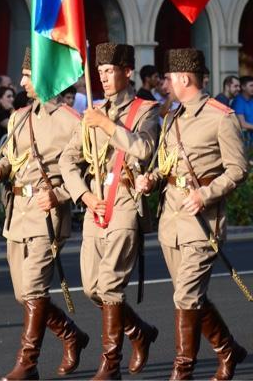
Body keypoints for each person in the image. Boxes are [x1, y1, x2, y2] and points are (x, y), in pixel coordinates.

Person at [136, 48, 249, 380]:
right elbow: (165, 163)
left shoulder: (221, 116)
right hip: (172, 218)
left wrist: (205, 194)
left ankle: (182, 370)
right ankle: (228, 349)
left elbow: (238, 170)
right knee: (189, 296)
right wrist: (152, 178)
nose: (166, 84)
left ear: (184, 78)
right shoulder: (172, 115)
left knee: (186, 295)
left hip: (203, 222)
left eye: (170, 78)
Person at [0, 48, 88, 380]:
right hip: (18, 213)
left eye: (27, 74)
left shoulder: (73, 121)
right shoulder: (19, 116)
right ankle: (71, 334)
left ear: (43, 77)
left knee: (35, 289)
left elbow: (88, 172)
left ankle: (27, 363)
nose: (23, 81)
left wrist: (62, 194)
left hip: (48, 215)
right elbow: (13, 160)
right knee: (22, 293)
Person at [59, 42, 161, 379]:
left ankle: (110, 363)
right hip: (96, 204)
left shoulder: (145, 110)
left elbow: (145, 148)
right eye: (99, 71)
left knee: (111, 285)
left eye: (109, 70)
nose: (102, 77)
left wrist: (106, 126)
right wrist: (83, 195)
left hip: (125, 203)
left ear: (127, 72)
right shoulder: (93, 110)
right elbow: (68, 159)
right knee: (91, 288)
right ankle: (138, 332)